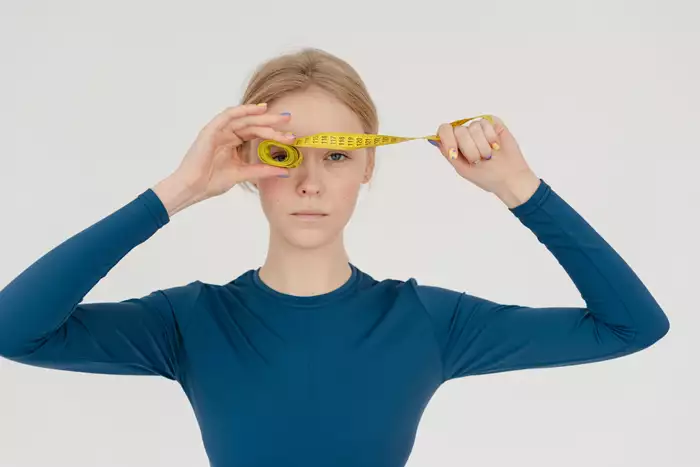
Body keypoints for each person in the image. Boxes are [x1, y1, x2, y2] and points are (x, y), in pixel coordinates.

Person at [0, 47, 670, 467]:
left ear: (368, 166)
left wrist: (518, 187)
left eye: (337, 156)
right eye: (283, 155)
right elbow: (14, 328)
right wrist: (178, 190)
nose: (309, 182)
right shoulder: (191, 322)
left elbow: (632, 326)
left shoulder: (426, 322)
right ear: (247, 167)